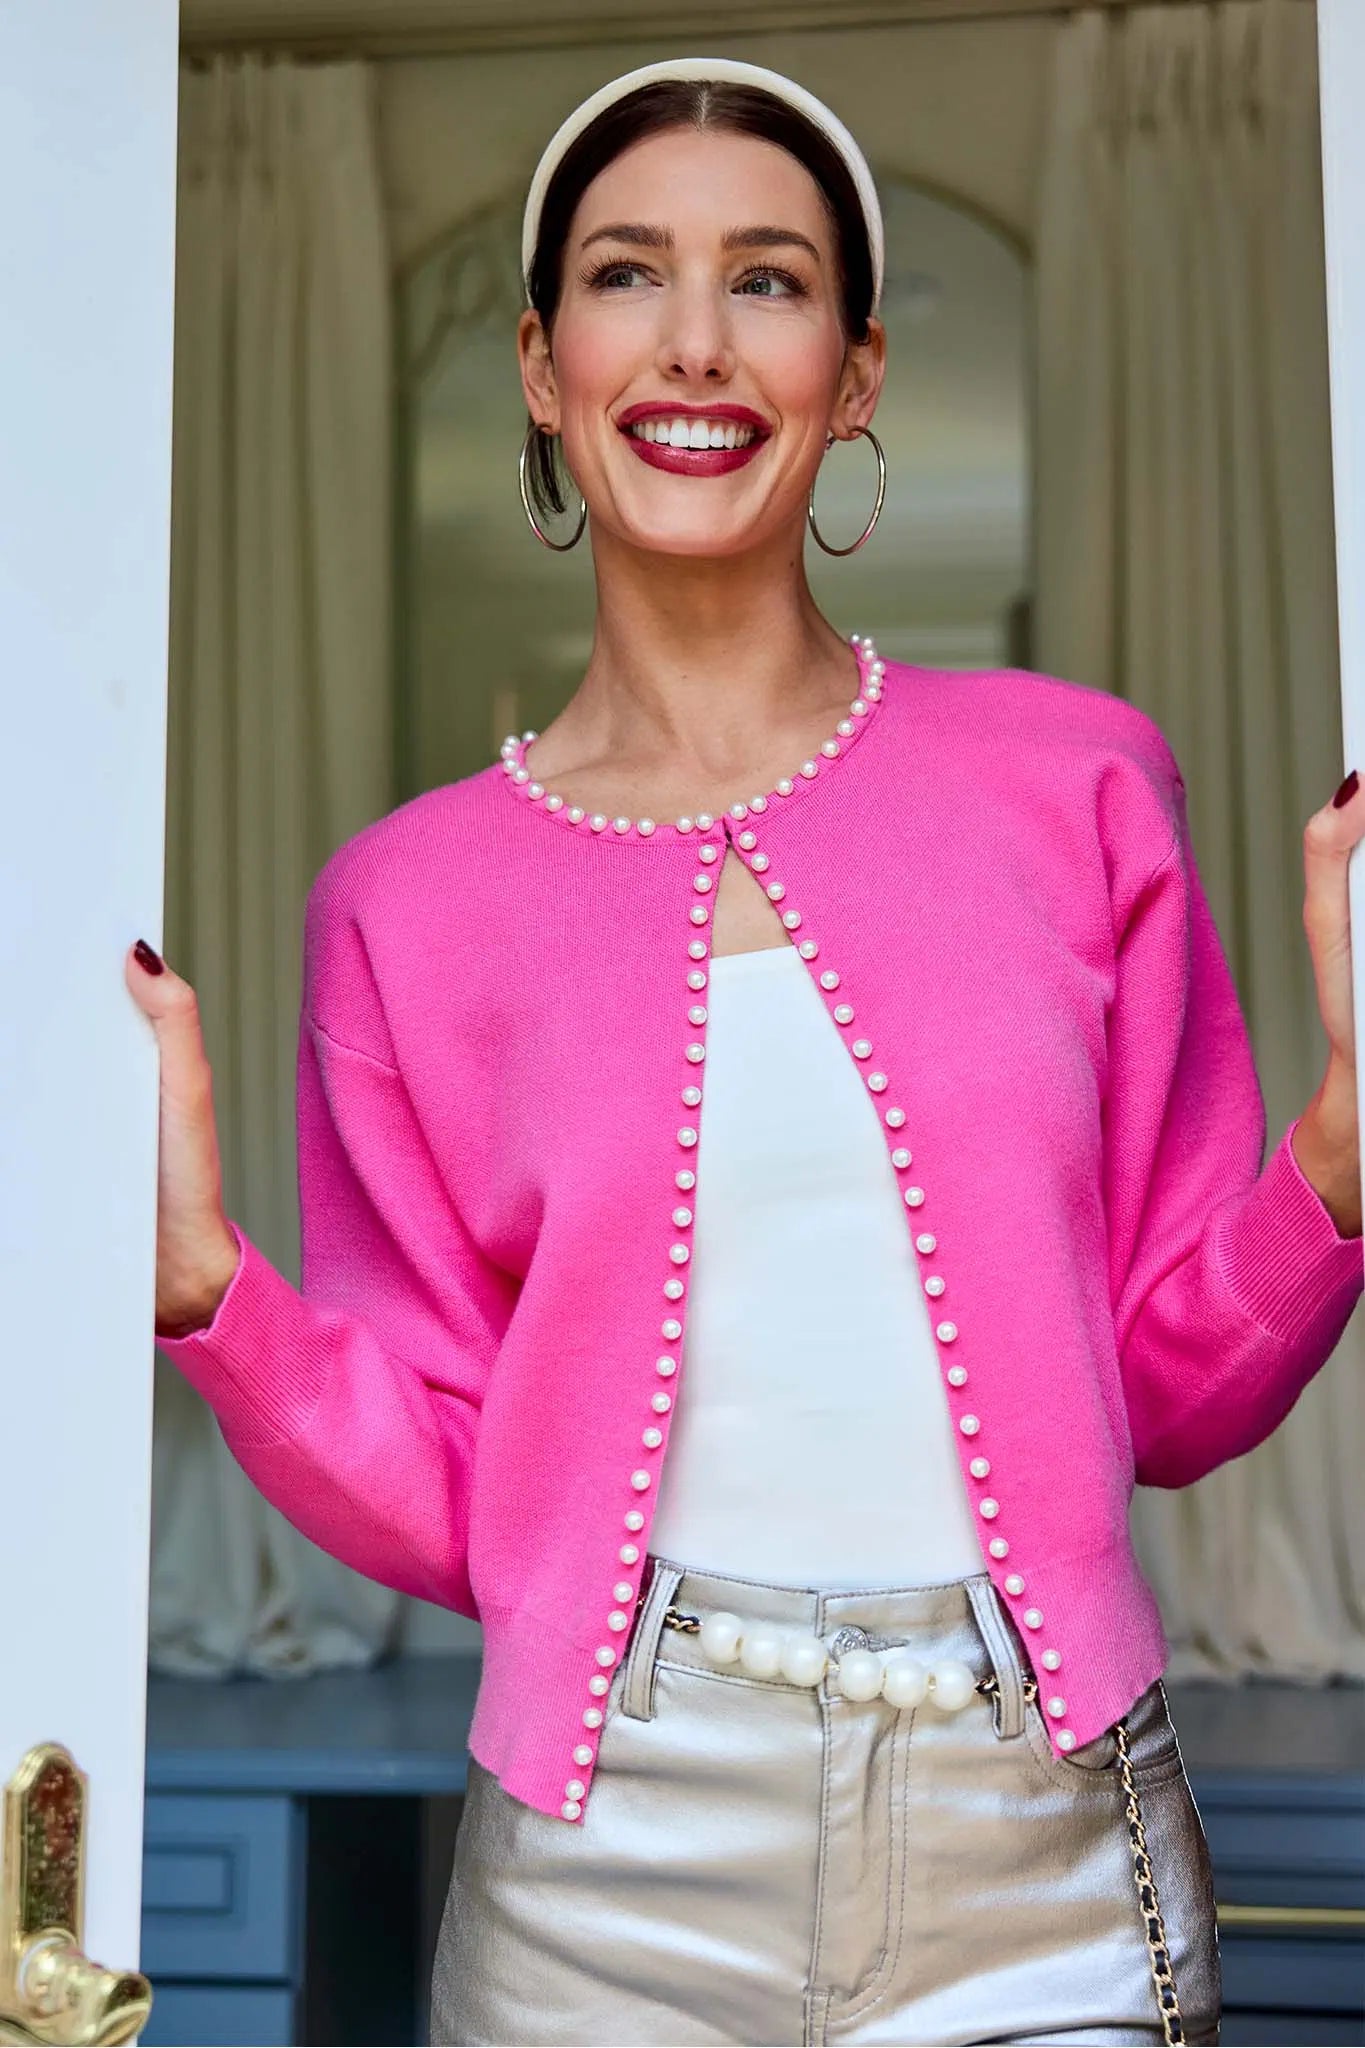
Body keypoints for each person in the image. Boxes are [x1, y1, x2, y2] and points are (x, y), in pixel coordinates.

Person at [133, 56, 1364, 2048]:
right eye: (627, 274)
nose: (693, 339)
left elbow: (1149, 1381)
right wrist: (214, 1297)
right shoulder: (399, 901)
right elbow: (467, 1489)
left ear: (854, 370)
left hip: (1034, 1837)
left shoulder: (1075, 784)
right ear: (541, 363)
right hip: (601, 1866)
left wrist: (1330, 1169)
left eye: (768, 281)